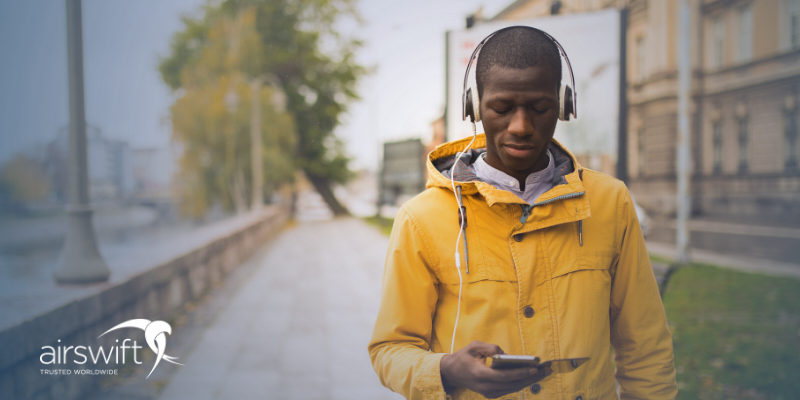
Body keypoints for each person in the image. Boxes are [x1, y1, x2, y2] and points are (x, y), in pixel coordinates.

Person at [368, 27, 677, 400]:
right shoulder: (420, 219)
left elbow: (645, 344)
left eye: (540, 108)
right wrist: (446, 370)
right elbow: (390, 349)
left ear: (564, 105)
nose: (521, 126)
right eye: (501, 108)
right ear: (473, 106)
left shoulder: (611, 202)